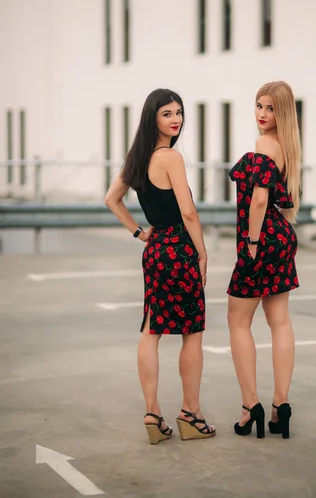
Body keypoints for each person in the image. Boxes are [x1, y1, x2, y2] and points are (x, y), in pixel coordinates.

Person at [105, 88, 215, 444]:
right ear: (153, 117)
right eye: (167, 113)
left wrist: (140, 233)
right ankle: (191, 414)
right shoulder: (170, 157)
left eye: (179, 112)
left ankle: (153, 414)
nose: (176, 119)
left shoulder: (137, 158)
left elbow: (112, 199)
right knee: (191, 332)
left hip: (155, 251)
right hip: (180, 249)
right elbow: (189, 212)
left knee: (151, 331)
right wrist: (201, 253)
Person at [227, 81, 301, 440]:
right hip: (282, 237)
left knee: (238, 321)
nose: (261, 114)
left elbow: (259, 201)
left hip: (261, 238)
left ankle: (249, 407)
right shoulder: (288, 147)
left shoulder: (264, 145)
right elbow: (284, 204)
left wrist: (252, 243)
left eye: (270, 108)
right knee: (280, 321)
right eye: (258, 105)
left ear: (281, 113)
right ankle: (280, 407)